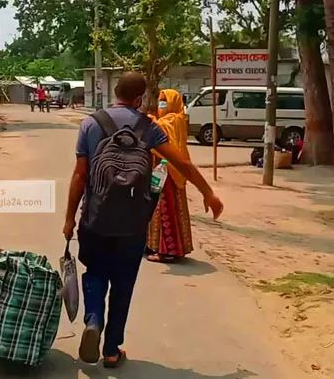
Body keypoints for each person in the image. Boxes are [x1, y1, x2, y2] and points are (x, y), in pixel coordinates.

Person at [64, 72, 223, 368]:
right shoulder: (148, 127)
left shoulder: (90, 123)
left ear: (115, 91)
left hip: (95, 218)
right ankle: (111, 350)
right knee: (123, 284)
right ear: (139, 99)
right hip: (133, 224)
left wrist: (69, 219)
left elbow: (79, 175)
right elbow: (182, 162)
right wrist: (208, 193)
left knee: (95, 273)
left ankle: (93, 320)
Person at [146, 89, 193, 262]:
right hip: (166, 170)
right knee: (158, 208)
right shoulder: (175, 118)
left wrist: (148, 120)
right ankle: (159, 246)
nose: (161, 104)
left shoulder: (174, 119)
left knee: (166, 209)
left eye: (164, 101)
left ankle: (168, 251)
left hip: (168, 171)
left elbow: (159, 131)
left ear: (173, 102)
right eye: (160, 101)